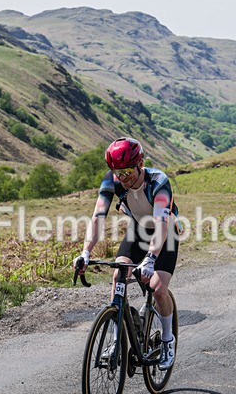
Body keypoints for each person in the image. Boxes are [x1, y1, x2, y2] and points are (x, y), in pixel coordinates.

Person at [73, 137, 180, 370]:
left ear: (140, 163)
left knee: (158, 289)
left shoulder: (158, 181)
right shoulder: (112, 180)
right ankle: (116, 341)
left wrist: (150, 259)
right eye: (117, 172)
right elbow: (97, 217)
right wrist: (85, 252)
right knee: (118, 275)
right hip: (138, 230)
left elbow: (161, 224)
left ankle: (167, 340)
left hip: (166, 233)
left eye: (128, 171)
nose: (123, 177)